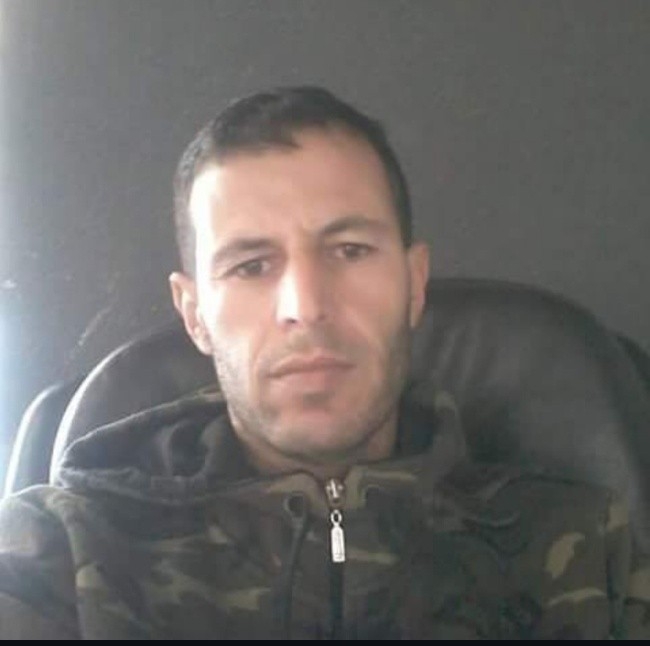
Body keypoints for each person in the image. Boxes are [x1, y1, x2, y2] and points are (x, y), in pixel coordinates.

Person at [0, 86, 648, 639]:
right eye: (251, 266)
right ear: (194, 314)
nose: (306, 307)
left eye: (350, 250)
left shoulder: (592, 555)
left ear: (414, 283)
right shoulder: (61, 555)